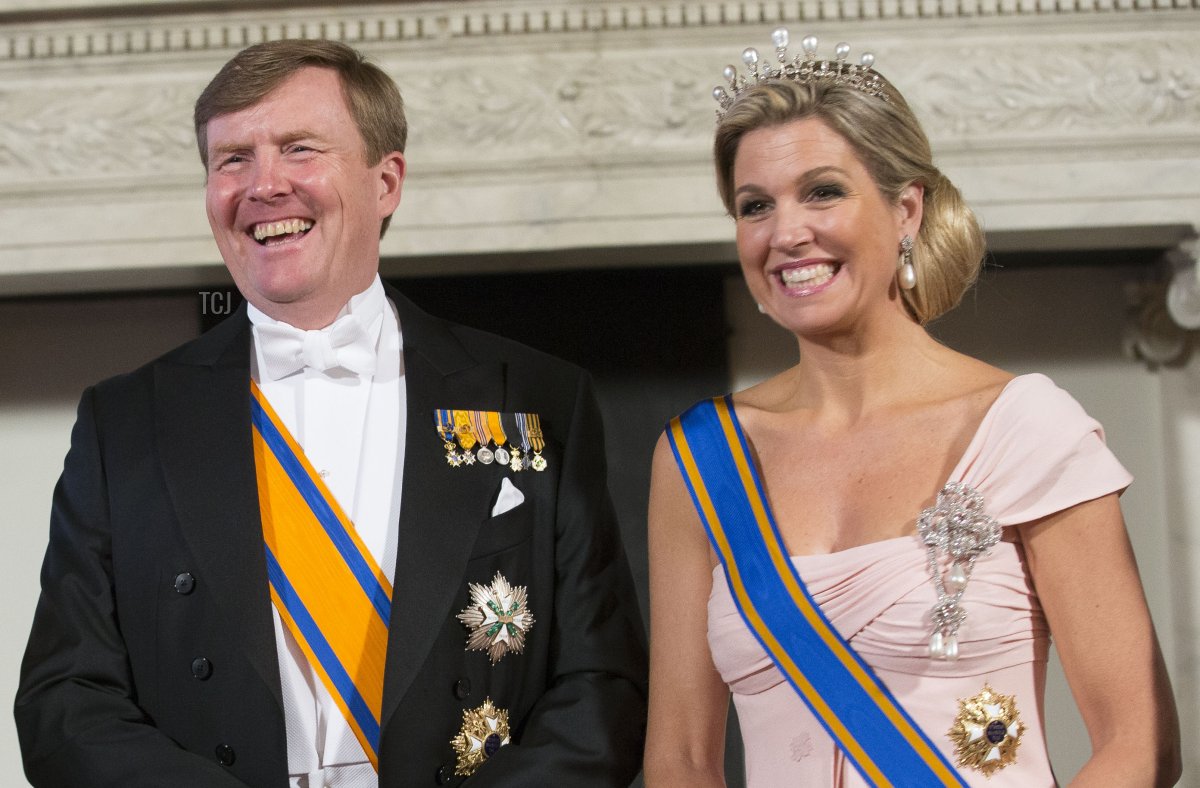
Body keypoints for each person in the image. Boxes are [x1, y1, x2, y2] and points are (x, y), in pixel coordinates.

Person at [15, 39, 647, 787]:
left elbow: (603, 686)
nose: (263, 185)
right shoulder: (123, 423)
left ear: (386, 182)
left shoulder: (537, 397)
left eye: (299, 148)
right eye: (232, 159)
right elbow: (66, 702)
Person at [643, 28, 1181, 787]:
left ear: (906, 211)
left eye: (822, 191)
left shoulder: (1026, 428)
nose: (786, 233)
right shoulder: (698, 458)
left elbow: (1140, 744)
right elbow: (681, 759)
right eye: (754, 205)